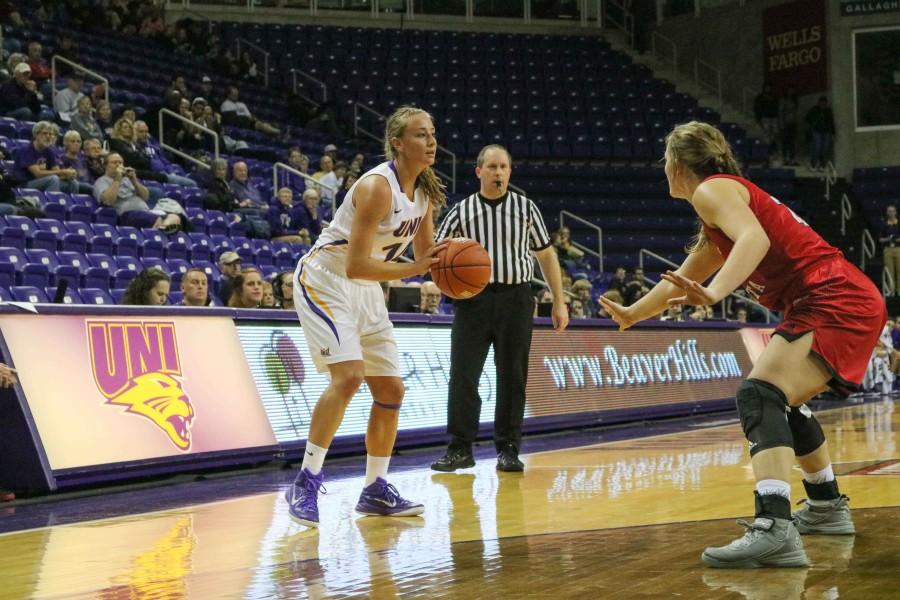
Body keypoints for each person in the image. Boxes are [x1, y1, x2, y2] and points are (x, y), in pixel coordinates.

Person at [599, 121, 885, 569]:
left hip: (834, 296)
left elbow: (757, 240)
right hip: (840, 295)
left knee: (759, 394)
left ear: (676, 164)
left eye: (664, 161)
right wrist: (634, 313)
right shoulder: (722, 207)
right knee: (781, 402)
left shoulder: (711, 191)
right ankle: (827, 506)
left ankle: (774, 525)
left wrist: (715, 295)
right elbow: (686, 276)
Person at [284, 106, 448, 528]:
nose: (430, 142)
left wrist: (459, 264)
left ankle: (375, 489)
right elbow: (357, 265)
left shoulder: (424, 192)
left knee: (391, 389)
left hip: (366, 289)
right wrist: (415, 269)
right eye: (420, 135)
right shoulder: (377, 186)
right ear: (397, 142)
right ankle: (306, 479)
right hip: (327, 277)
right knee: (349, 377)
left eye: (432, 135)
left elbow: (426, 258)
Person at [431, 144, 569, 474]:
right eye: (492, 166)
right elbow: (436, 254)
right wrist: (444, 282)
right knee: (464, 375)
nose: (498, 172)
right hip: (472, 301)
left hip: (516, 298)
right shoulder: (462, 211)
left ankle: (508, 447)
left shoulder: (525, 208)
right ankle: (459, 447)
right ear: (479, 172)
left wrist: (559, 300)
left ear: (510, 171)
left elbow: (546, 255)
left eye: (504, 167)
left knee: (513, 376)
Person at [94, 152, 182, 231]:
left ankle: (161, 230)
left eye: (120, 162)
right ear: (105, 166)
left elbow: (146, 197)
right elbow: (107, 201)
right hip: (127, 215)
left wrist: (134, 181)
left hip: (146, 213)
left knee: (175, 218)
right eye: (114, 162)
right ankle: (159, 231)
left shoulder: (128, 180)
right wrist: (117, 180)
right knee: (157, 219)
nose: (118, 165)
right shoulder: (101, 181)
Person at [13, 121, 79, 192]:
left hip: (44, 182)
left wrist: (67, 176)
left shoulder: (49, 151)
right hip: (25, 184)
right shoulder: (26, 150)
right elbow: (38, 174)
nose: (48, 136)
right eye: (45, 133)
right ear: (36, 135)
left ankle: (68, 202)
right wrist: (63, 172)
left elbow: (56, 171)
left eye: (50, 134)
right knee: (53, 179)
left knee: (73, 183)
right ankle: (53, 203)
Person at [805, 96, 835, 171]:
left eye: (824, 104)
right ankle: (814, 165)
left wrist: (833, 133)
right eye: (821, 103)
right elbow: (807, 119)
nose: (823, 105)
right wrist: (811, 126)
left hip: (826, 131)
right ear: (819, 103)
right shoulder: (814, 110)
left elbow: (831, 122)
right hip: (817, 131)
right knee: (817, 148)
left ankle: (822, 165)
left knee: (824, 149)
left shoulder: (827, 111)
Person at [879, 205, 900, 296]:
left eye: (893, 211)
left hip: (898, 248)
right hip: (888, 249)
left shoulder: (899, 224)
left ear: (896, 212)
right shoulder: (884, 224)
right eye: (889, 211)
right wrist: (888, 239)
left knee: (899, 270)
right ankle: (891, 290)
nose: (891, 213)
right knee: (889, 270)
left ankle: (899, 290)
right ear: (887, 213)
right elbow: (880, 239)